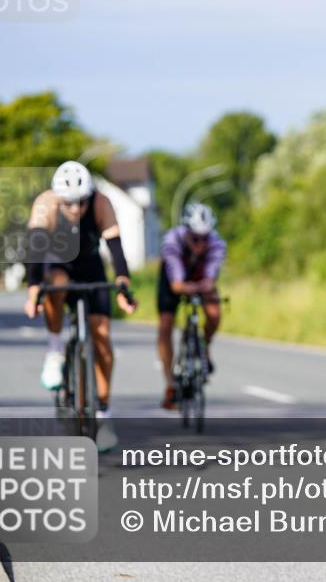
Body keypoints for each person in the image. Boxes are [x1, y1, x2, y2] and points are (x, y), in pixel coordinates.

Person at [23, 161, 137, 452]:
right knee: (55, 282)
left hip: (90, 267)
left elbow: (115, 248)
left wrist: (123, 285)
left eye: (81, 203)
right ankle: (54, 350)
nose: (76, 210)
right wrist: (34, 288)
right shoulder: (45, 205)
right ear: (59, 199)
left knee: (101, 337)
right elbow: (34, 249)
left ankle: (103, 414)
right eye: (69, 204)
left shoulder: (101, 203)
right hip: (57, 264)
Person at [156, 203, 226, 410]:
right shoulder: (171, 241)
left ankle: (204, 346)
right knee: (166, 325)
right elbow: (176, 285)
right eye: (196, 238)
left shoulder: (217, 244)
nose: (201, 244)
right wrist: (187, 287)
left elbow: (211, 277)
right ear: (186, 232)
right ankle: (170, 385)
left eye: (205, 238)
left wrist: (205, 286)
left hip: (199, 276)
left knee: (214, 312)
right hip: (173, 280)